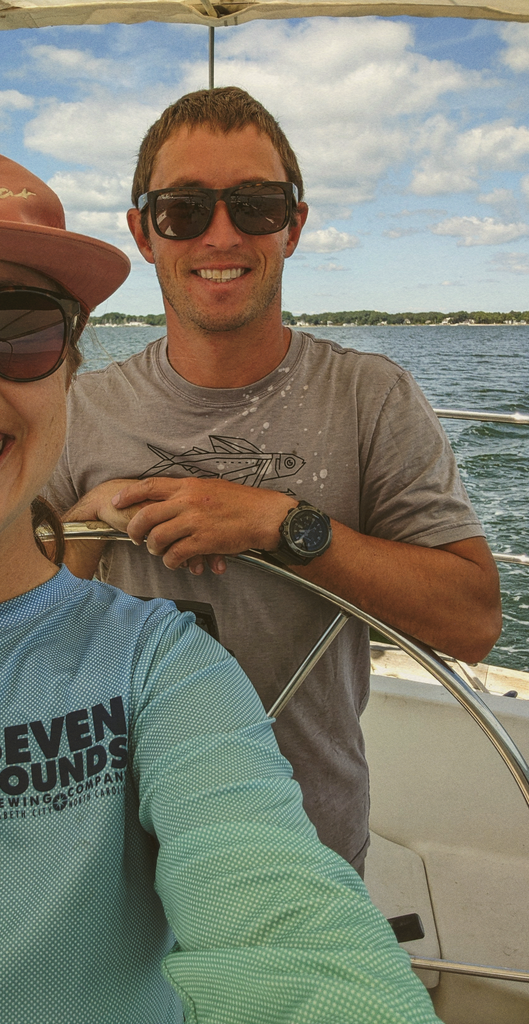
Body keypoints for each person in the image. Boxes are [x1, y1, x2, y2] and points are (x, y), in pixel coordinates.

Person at [0, 131, 443, 1024]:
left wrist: (281, 526)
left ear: (64, 377)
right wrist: (89, 525)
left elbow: (288, 931)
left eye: (17, 328)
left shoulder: (167, 668)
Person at [47, 86, 502, 874]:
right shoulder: (76, 410)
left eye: (254, 205)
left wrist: (285, 527)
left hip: (307, 834)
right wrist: (88, 524)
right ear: (143, 233)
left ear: (293, 225)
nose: (220, 233)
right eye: (182, 208)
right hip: (107, 837)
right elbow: (18, 642)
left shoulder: (370, 397)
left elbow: (472, 620)